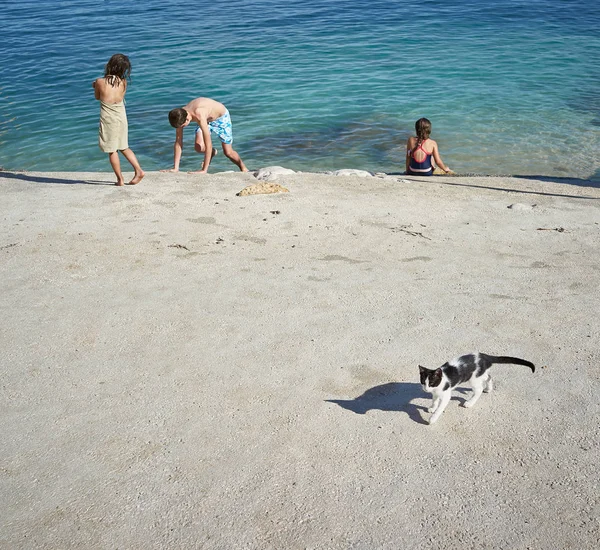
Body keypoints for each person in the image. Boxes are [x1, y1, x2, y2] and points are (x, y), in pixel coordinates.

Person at [92, 53, 144, 186]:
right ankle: (138, 170)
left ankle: (120, 179)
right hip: (121, 117)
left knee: (112, 149)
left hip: (109, 119)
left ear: (110, 65)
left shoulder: (100, 82)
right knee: (124, 146)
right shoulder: (124, 83)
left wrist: (95, 87)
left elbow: (98, 97)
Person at [163, 97, 248, 174]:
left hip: (221, 118)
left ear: (187, 119)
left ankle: (243, 168)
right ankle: (212, 153)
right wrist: (175, 168)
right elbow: (178, 142)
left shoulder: (199, 114)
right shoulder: (179, 115)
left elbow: (208, 144)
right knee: (198, 147)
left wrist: (204, 170)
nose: (181, 128)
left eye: (182, 126)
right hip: (206, 119)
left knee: (228, 152)